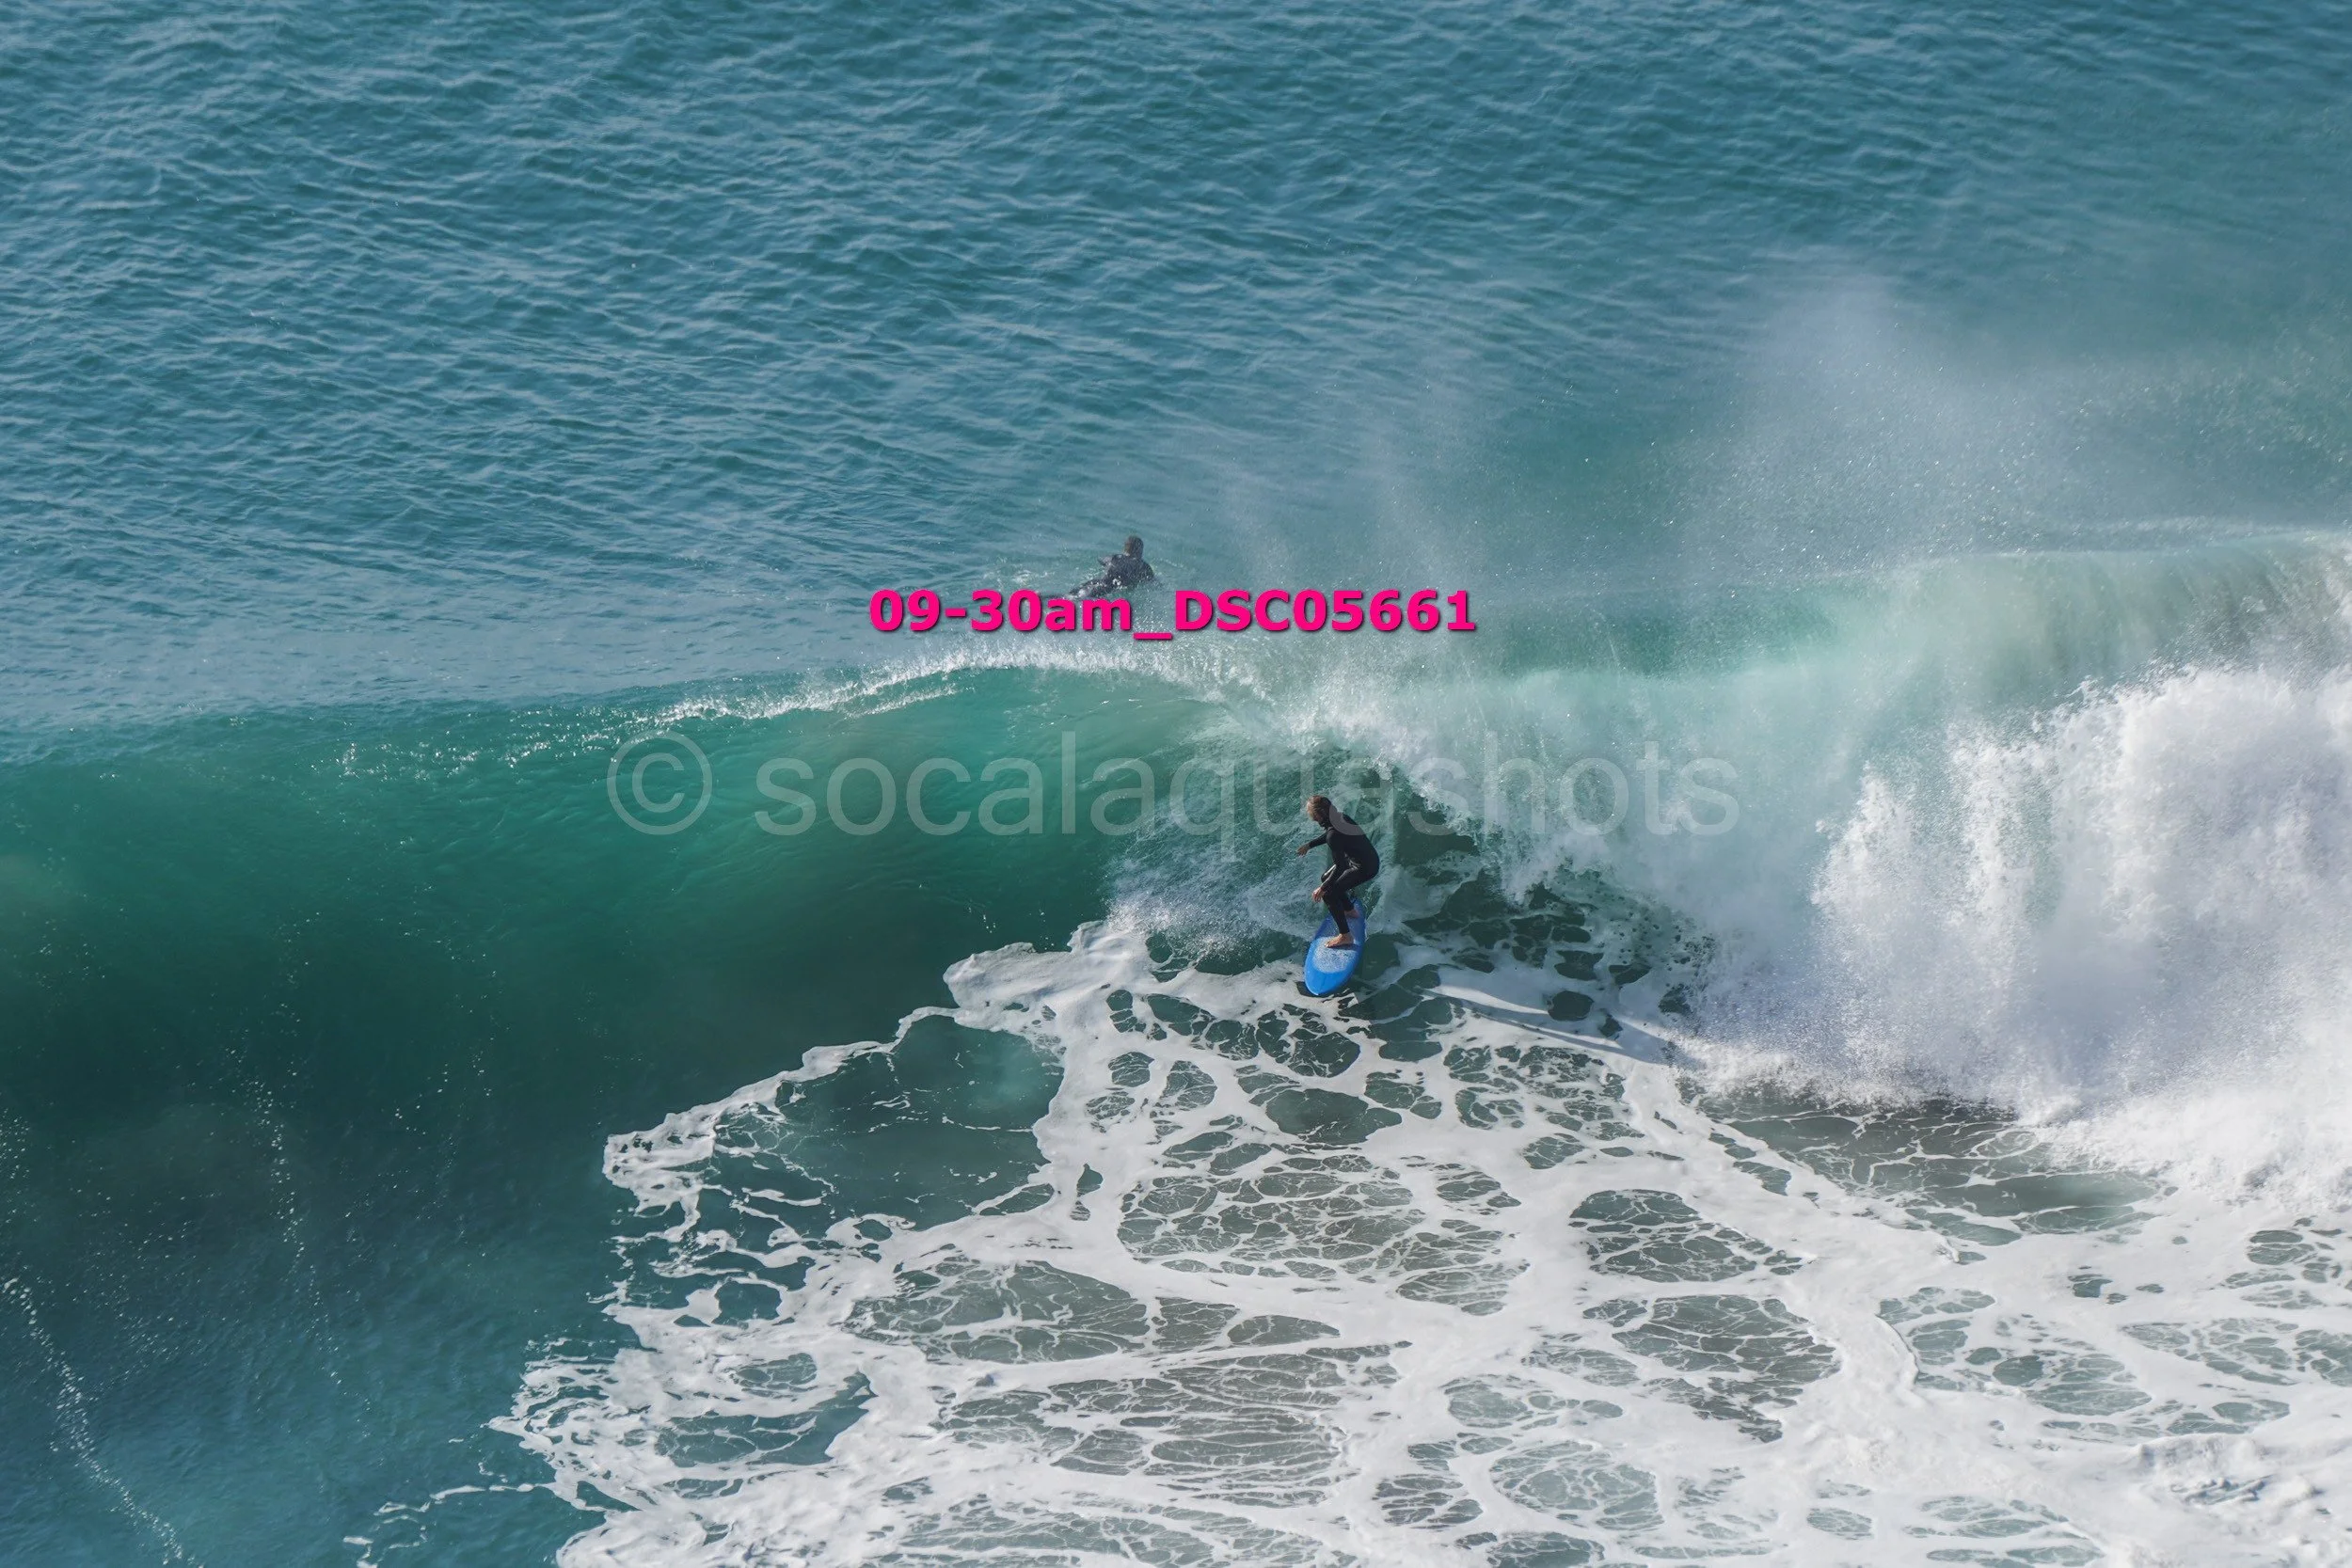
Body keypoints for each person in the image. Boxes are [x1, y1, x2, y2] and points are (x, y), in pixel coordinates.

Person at [1295, 794, 1378, 949]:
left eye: (1310, 813)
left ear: (1318, 815)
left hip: (1364, 868)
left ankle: (1345, 936)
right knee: (1326, 878)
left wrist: (1323, 888)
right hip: (1368, 859)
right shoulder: (1340, 818)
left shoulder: (1333, 834)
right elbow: (1330, 834)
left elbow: (1340, 866)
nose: (1309, 816)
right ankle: (1349, 910)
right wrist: (1310, 845)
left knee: (1328, 893)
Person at [1077, 536, 1154, 596]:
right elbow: (1152, 582)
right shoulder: (1143, 565)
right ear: (1139, 550)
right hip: (1111, 588)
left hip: (1099, 582)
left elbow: (1101, 560)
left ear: (1125, 548)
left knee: (1078, 593)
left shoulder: (1115, 557)